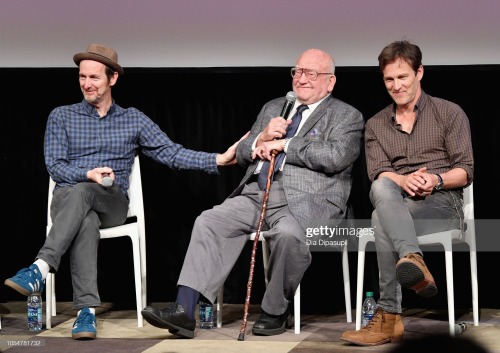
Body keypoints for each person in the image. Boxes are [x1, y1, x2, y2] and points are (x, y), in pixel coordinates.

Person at [4, 43, 246, 340]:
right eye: (82, 77)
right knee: (84, 214)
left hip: (113, 203)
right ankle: (86, 313)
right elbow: (55, 166)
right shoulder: (61, 116)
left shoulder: (132, 119)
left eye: (94, 77)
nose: (86, 84)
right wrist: (87, 174)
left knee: (86, 197)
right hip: (69, 201)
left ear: (113, 78)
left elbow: (171, 153)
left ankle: (40, 268)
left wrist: (217, 159)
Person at [141, 48, 364, 338]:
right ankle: (184, 311)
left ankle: (274, 310)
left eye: (311, 73)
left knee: (287, 235)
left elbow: (336, 156)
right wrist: (262, 138)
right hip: (255, 194)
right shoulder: (274, 108)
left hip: (307, 201)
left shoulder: (346, 115)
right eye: (297, 71)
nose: (301, 78)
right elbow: (243, 152)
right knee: (208, 221)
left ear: (330, 82)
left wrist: (285, 145)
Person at [341, 40, 474, 346]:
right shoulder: (375, 124)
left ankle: (389, 318)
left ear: (419, 73)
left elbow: (465, 170)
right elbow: (379, 173)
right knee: (381, 190)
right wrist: (403, 181)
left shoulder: (448, 112)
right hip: (398, 200)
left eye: (403, 77)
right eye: (389, 79)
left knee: (380, 217)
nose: (396, 85)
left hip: (442, 204)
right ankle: (412, 258)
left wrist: (435, 180)